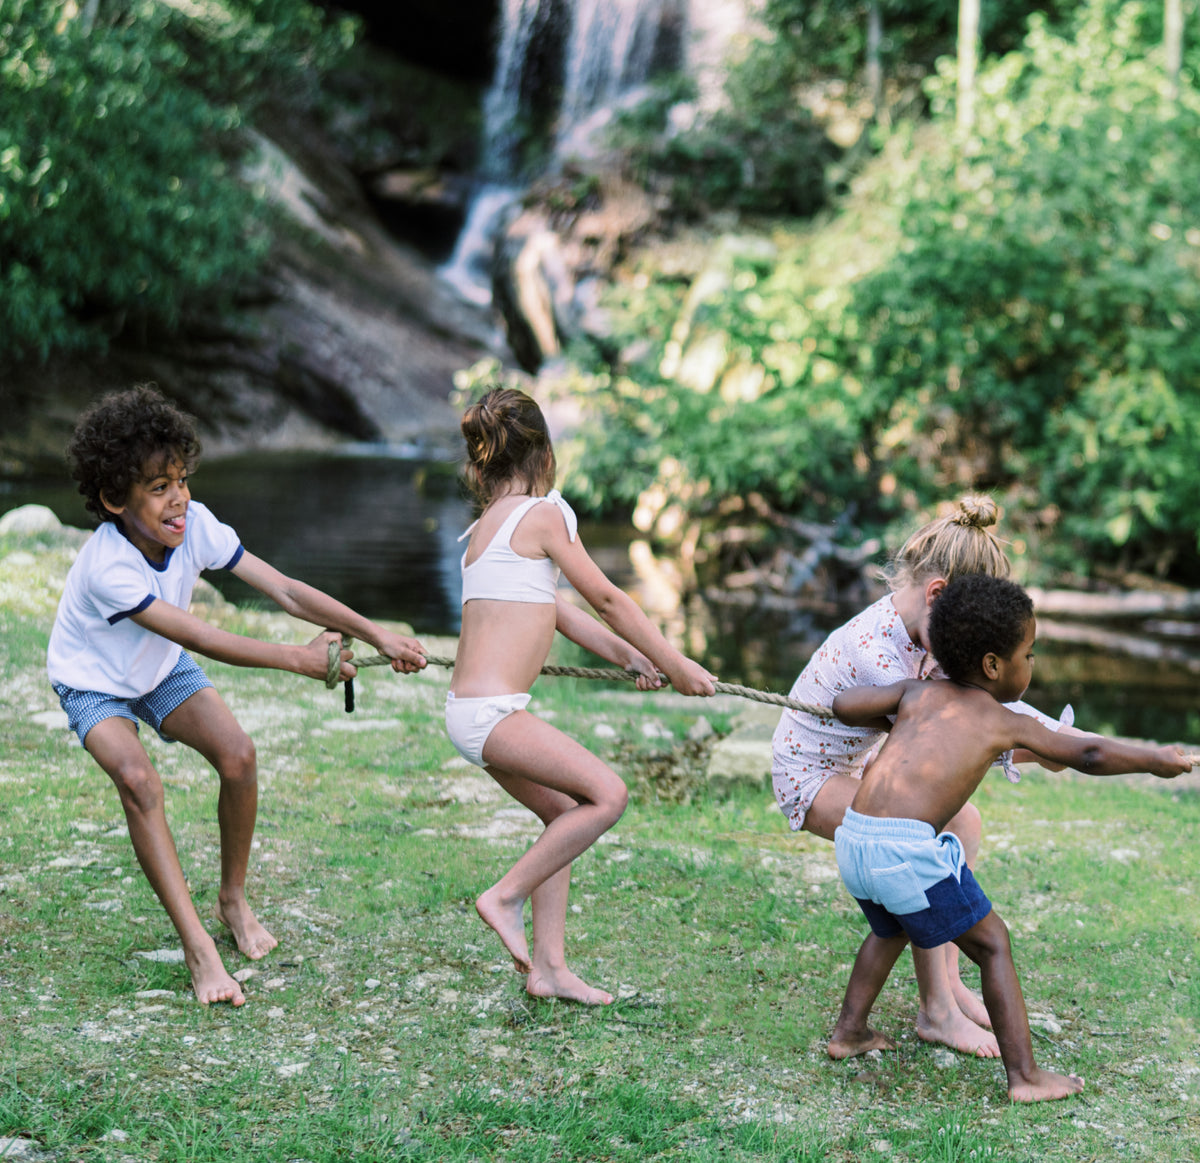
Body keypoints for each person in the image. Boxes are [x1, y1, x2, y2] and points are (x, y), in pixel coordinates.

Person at [47, 384, 428, 1007]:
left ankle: (232, 900)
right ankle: (198, 947)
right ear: (115, 498)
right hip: (93, 682)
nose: (180, 499)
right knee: (140, 783)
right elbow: (200, 633)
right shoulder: (107, 566)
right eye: (158, 487)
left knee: (239, 757)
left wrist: (377, 633)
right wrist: (300, 660)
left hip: (157, 668)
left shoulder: (194, 525)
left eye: (181, 479)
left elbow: (286, 591)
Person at [827, 573, 1190, 1101]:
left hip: (855, 838)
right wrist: (1154, 759)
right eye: (1030, 652)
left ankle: (849, 1033)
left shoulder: (915, 692)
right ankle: (1025, 1076)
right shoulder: (1002, 722)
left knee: (890, 931)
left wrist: (897, 714)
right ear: (994, 665)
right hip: (903, 848)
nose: (1033, 662)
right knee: (993, 944)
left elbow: (842, 705)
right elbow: (1085, 753)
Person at [771, 496, 1077, 1057]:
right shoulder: (876, 651)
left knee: (965, 823)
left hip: (857, 767)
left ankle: (950, 986)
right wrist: (1049, 748)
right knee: (920, 843)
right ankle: (936, 1011)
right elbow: (960, 730)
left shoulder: (919, 631)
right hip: (811, 776)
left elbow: (981, 710)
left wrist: (1057, 737)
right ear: (938, 596)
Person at [447, 386, 716, 1005]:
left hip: (468, 714)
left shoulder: (485, 527)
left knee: (566, 811)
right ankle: (504, 896)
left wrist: (631, 655)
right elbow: (607, 597)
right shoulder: (546, 513)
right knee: (607, 794)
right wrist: (677, 664)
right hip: (493, 716)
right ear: (543, 453)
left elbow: (559, 610)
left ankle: (550, 970)